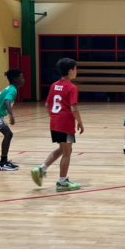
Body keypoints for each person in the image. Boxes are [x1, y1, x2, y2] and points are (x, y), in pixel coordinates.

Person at [31, 58, 84, 192]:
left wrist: (54, 118)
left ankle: (41, 169)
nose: (76, 71)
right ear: (71, 70)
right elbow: (73, 108)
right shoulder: (71, 87)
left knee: (62, 149)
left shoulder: (54, 85)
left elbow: (47, 105)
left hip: (54, 122)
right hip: (65, 122)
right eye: (76, 69)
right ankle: (62, 181)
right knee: (67, 152)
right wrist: (80, 122)